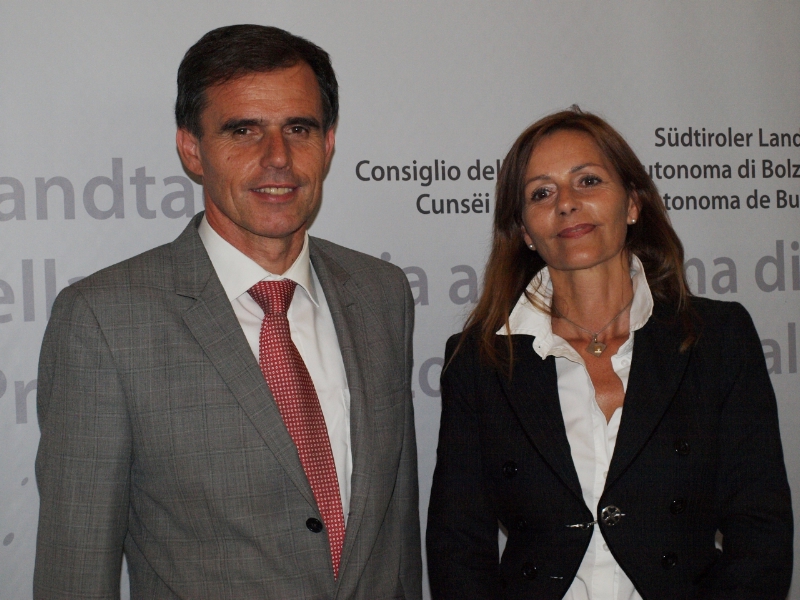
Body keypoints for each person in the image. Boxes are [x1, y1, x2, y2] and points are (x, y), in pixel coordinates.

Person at [34, 25, 421, 599]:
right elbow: (76, 568)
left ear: (329, 144)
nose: (278, 158)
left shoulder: (381, 293)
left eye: (299, 129)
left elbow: (397, 536)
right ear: (192, 149)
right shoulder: (104, 321)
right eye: (244, 131)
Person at [426, 108, 792, 599]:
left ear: (633, 203)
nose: (567, 203)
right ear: (526, 232)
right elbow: (458, 547)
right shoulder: (479, 361)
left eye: (588, 181)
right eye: (541, 193)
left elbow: (761, 534)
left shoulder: (718, 338)